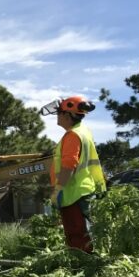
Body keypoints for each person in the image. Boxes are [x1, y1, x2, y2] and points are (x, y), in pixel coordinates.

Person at [40, 96, 106, 253]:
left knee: (77, 236)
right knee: (87, 234)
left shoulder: (72, 136)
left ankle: (83, 268)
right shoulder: (84, 132)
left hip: (73, 194)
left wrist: (57, 191)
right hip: (85, 190)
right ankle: (88, 265)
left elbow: (68, 167)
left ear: (68, 115)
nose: (58, 116)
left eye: (60, 113)